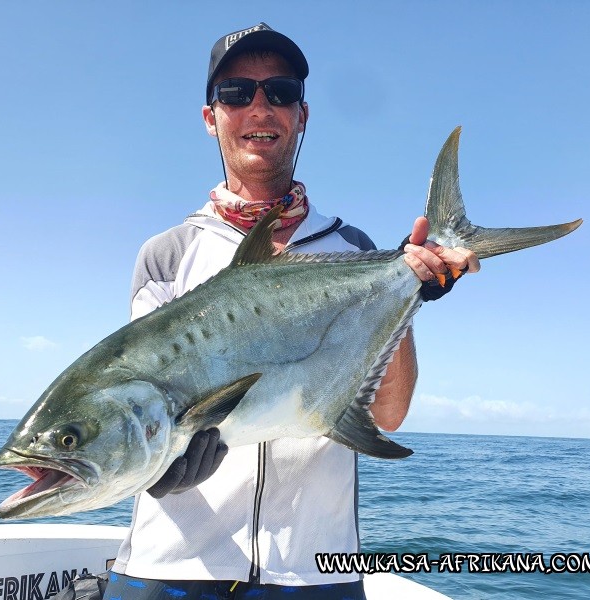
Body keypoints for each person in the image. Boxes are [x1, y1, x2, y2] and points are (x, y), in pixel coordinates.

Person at [104, 23, 479, 600]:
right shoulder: (167, 255)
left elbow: (388, 414)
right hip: (171, 567)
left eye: (279, 92)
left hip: (313, 572)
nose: (260, 107)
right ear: (211, 116)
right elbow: (142, 402)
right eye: (236, 93)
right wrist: (158, 469)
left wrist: (409, 292)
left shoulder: (353, 250)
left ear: (301, 115)